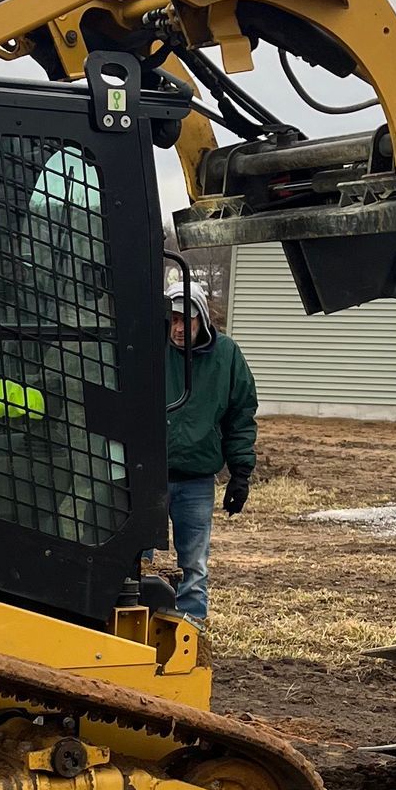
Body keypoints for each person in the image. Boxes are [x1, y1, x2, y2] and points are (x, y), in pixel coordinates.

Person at [163, 257, 257, 625]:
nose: (179, 328)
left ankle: (192, 630)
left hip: (196, 479)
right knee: (138, 561)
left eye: (187, 319)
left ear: (202, 317)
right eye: (172, 319)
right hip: (148, 475)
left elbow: (240, 415)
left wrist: (241, 473)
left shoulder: (226, 356)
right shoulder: (149, 353)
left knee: (194, 565)